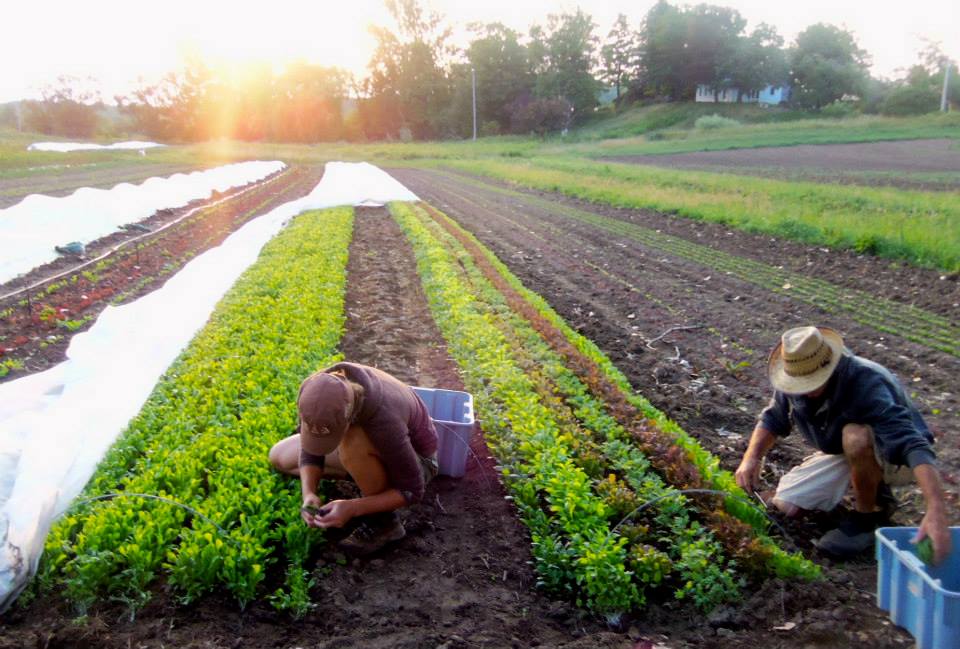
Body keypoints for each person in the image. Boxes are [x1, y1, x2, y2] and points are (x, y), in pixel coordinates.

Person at [735, 326, 951, 562]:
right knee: (786, 505)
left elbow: (911, 444)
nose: (805, 390)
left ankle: (865, 520)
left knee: (854, 436)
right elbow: (774, 418)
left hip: (896, 457)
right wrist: (751, 458)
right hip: (846, 453)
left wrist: (936, 509)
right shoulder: (795, 373)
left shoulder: (866, 381)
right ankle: (876, 492)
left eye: (812, 382)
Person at [268, 362, 439, 555]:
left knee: (352, 442)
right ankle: (363, 472)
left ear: (349, 418)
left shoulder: (384, 419)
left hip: (418, 462)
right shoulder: (316, 390)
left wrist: (352, 508)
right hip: (373, 447)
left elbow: (412, 490)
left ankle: (384, 523)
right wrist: (309, 494)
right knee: (279, 455)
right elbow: (311, 448)